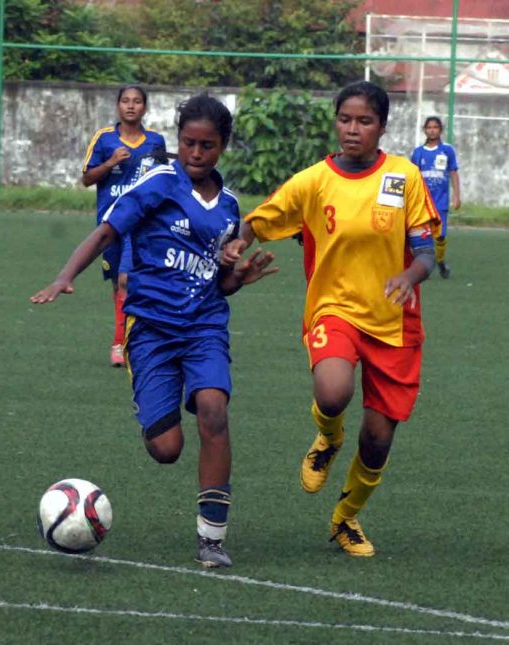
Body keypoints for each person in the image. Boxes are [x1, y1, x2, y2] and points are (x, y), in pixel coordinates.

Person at [34, 93, 277, 568]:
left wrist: (237, 278)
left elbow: (219, 280)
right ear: (179, 139)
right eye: (188, 142)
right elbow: (107, 231)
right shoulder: (159, 182)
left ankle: (212, 538)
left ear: (222, 146)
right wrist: (66, 275)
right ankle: (151, 407)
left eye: (207, 145)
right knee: (166, 449)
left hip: (204, 324)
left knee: (214, 409)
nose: (195, 153)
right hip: (151, 327)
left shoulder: (230, 207)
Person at [224, 81, 440, 558]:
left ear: (382, 127)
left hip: (395, 324)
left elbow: (426, 251)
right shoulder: (314, 180)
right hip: (334, 309)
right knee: (333, 391)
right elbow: (260, 219)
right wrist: (238, 241)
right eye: (345, 119)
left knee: (379, 440)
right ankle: (328, 435)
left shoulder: (404, 178)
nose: (353, 130)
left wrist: (410, 273)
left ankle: (346, 518)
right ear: (336, 122)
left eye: (364, 121)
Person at [82, 86, 167, 367]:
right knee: (119, 284)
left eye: (137, 101)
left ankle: (122, 345)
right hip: (112, 223)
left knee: (129, 281)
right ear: (118, 106)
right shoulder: (105, 139)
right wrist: (110, 163)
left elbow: (164, 181)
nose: (131, 106)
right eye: (126, 101)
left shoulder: (155, 141)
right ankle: (126, 340)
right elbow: (87, 178)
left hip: (144, 223)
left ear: (144, 107)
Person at [410, 116, 460, 278]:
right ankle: (425, 265)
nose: (432, 130)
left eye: (435, 127)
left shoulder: (447, 150)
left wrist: (457, 196)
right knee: (423, 236)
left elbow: (453, 172)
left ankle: (440, 261)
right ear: (425, 130)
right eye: (429, 127)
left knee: (440, 236)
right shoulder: (418, 153)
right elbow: (413, 177)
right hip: (422, 202)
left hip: (440, 201)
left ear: (440, 130)